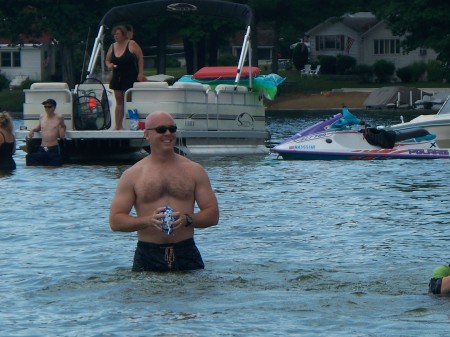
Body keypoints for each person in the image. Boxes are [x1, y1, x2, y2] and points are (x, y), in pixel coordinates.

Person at [109, 111, 219, 272]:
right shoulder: (132, 174)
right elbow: (115, 221)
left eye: (172, 129)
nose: (168, 133)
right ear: (147, 134)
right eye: (161, 129)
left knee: (196, 295)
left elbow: (213, 215)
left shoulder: (194, 171)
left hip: (186, 251)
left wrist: (187, 219)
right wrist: (147, 221)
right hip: (148, 254)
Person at [105, 25, 146, 130]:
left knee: (128, 99)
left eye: (117, 34)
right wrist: (109, 65)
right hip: (117, 75)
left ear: (123, 35)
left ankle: (131, 124)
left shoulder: (131, 44)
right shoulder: (112, 46)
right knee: (119, 101)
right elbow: (107, 60)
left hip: (130, 74)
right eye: (114, 34)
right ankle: (118, 126)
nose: (115, 36)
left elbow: (140, 57)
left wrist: (141, 73)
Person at [26, 99, 66, 166]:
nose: (47, 109)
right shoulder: (42, 117)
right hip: (43, 147)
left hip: (53, 147)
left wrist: (62, 132)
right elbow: (39, 128)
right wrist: (32, 130)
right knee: (30, 158)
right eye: (45, 107)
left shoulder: (59, 117)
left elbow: (63, 126)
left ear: (54, 107)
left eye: (49, 107)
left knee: (55, 166)